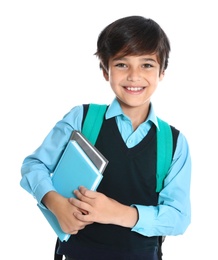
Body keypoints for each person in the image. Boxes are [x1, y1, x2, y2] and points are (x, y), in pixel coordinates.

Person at [20, 15, 191, 260]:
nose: (134, 76)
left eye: (147, 65)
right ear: (105, 70)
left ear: (162, 71)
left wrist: (116, 213)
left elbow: (179, 217)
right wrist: (55, 203)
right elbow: (33, 165)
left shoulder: (173, 143)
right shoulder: (82, 119)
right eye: (122, 64)